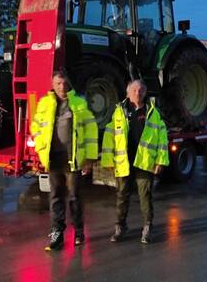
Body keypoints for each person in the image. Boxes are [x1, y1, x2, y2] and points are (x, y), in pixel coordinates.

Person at [30, 71, 98, 251]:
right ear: (52, 84)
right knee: (55, 198)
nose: (61, 87)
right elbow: (35, 126)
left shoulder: (79, 104)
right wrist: (40, 148)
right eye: (58, 83)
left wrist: (89, 158)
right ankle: (56, 235)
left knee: (75, 197)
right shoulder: (44, 103)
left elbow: (91, 131)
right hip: (53, 160)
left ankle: (79, 231)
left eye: (64, 83)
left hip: (72, 160)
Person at [101, 79, 169, 244]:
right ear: (127, 93)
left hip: (144, 163)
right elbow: (109, 137)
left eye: (140, 91)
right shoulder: (119, 112)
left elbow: (162, 140)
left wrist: (160, 161)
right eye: (133, 91)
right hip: (124, 161)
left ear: (144, 93)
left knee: (145, 196)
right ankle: (120, 227)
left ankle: (147, 227)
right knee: (122, 195)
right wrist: (108, 161)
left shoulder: (153, 113)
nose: (137, 93)